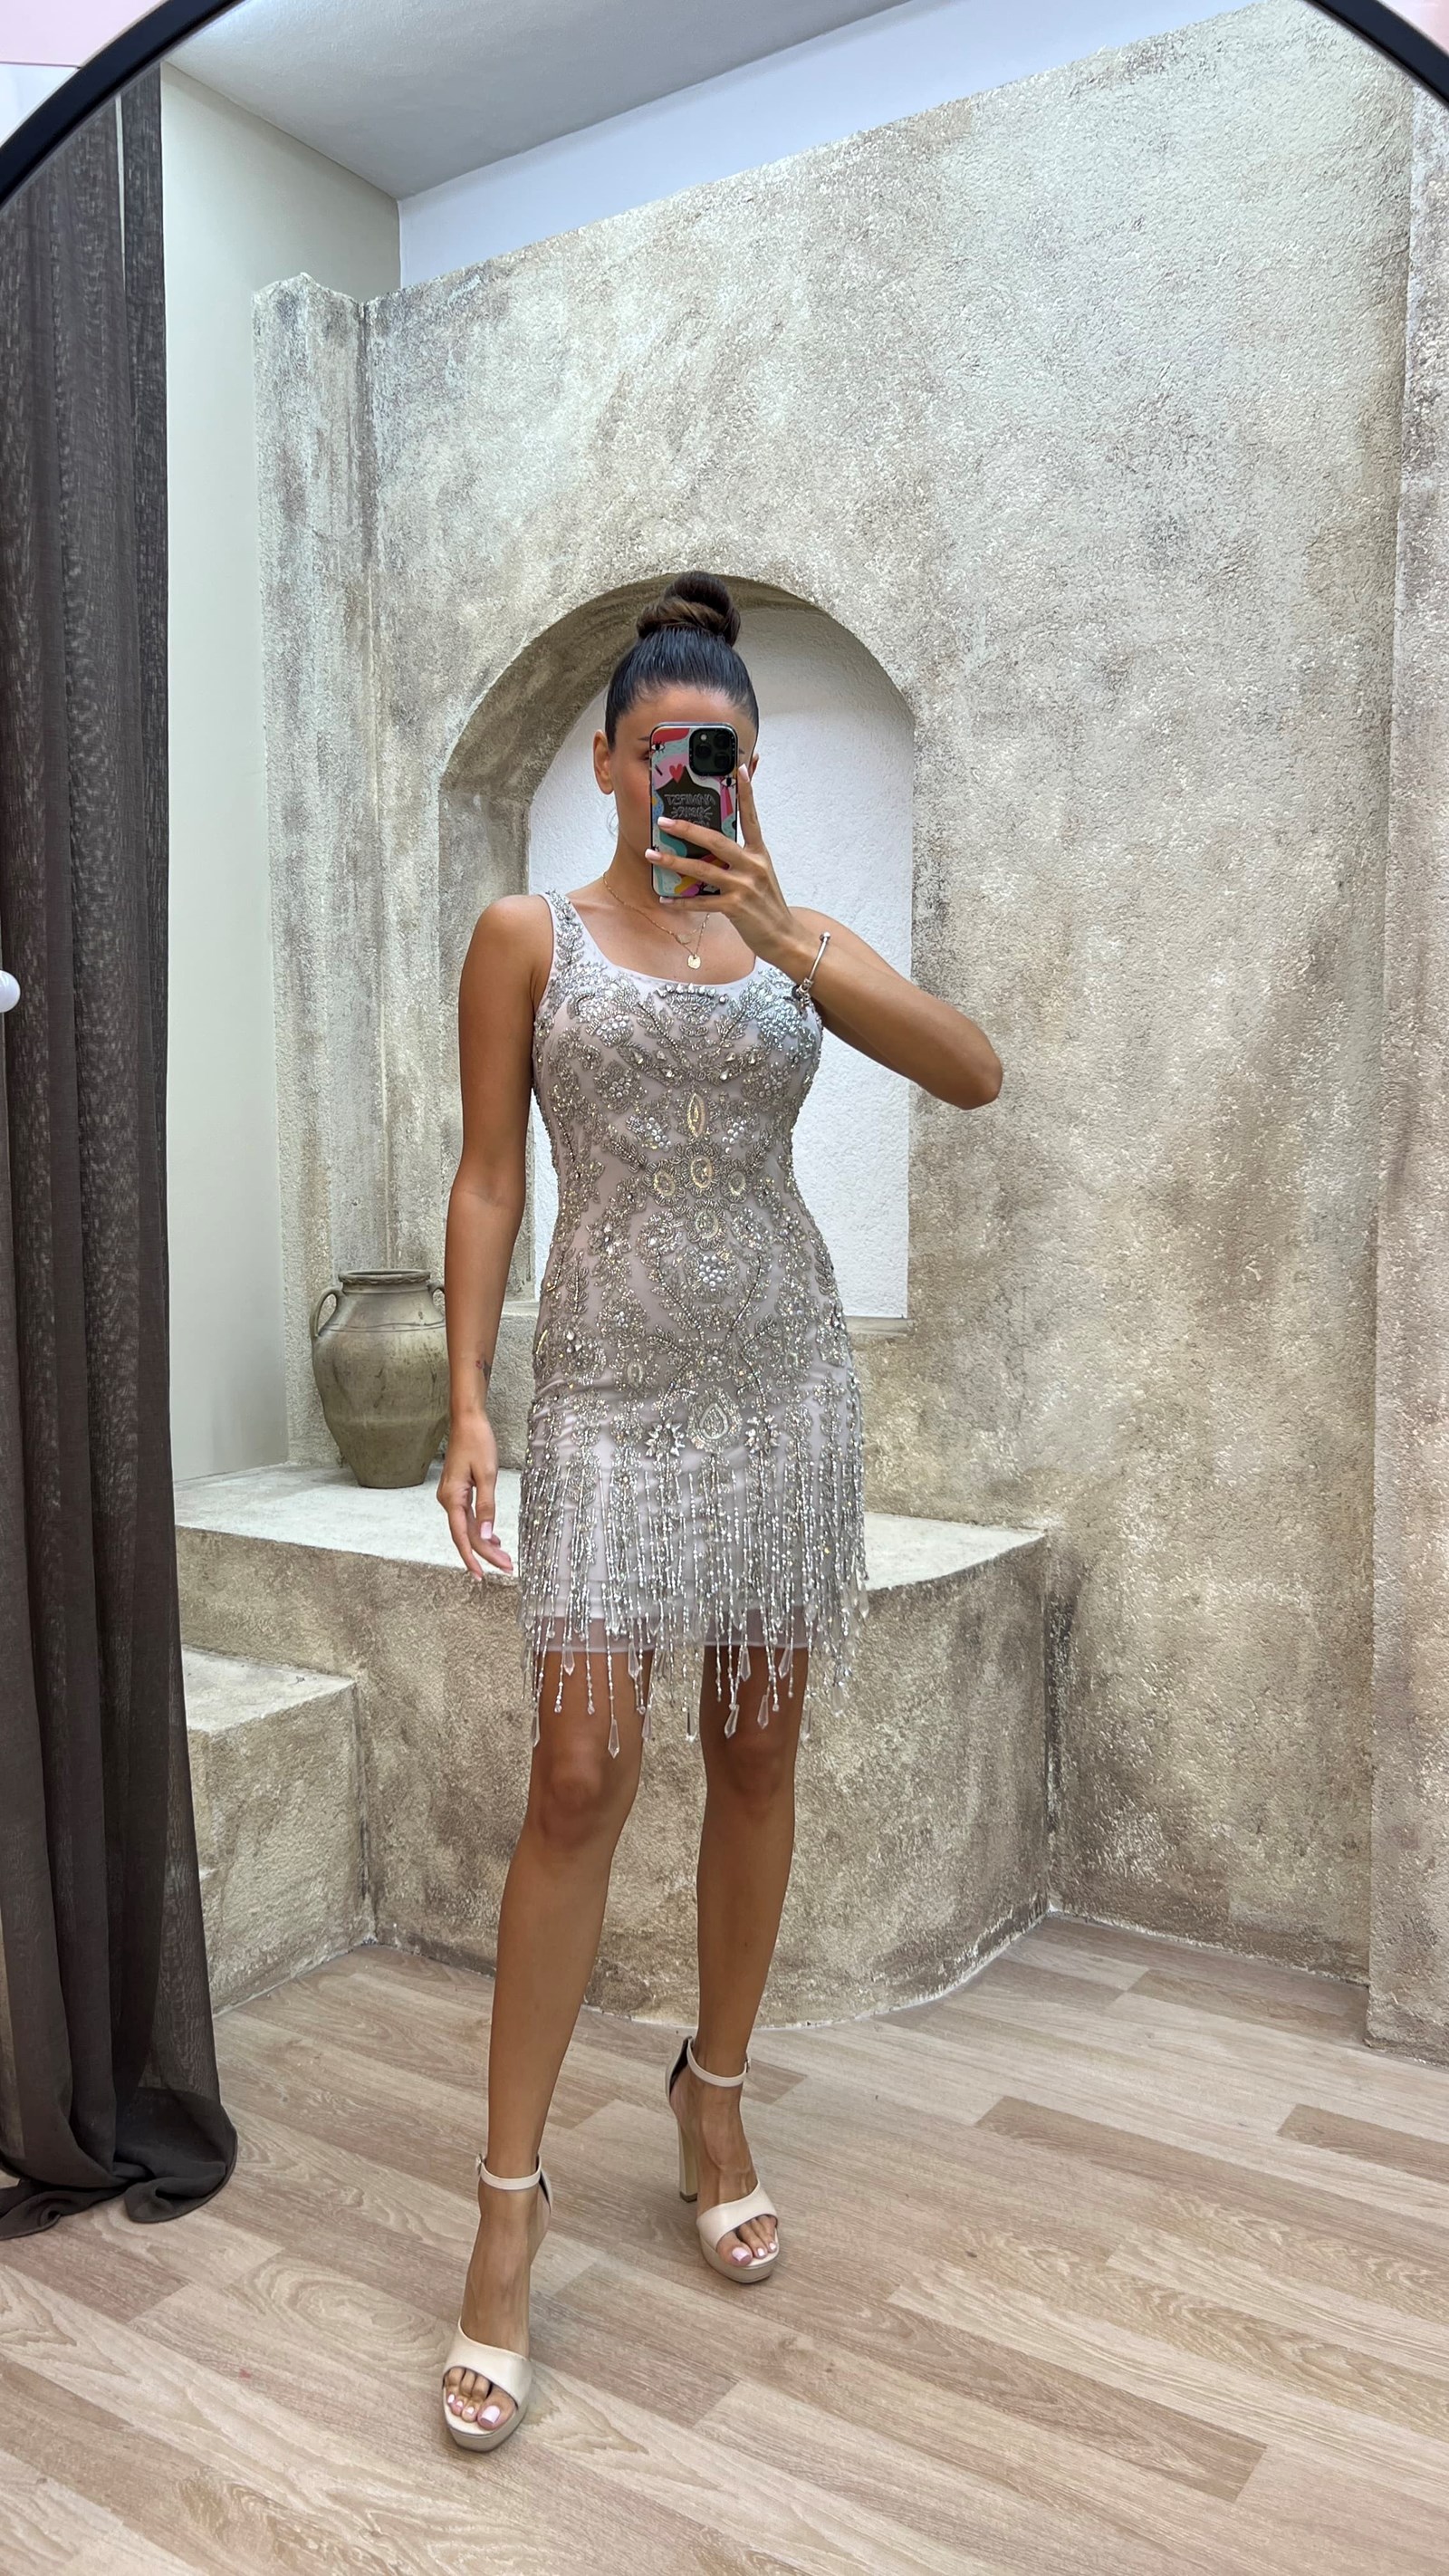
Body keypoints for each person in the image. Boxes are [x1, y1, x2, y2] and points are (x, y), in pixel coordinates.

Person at [436, 571, 1002, 2449]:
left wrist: (783, 937)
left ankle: (717, 2097)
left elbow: (971, 1072)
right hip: (605, 1397)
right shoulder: (525, 935)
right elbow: (490, 1179)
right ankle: (504, 2214)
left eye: (727, 757)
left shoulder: (792, 936)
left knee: (756, 1754)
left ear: (748, 774)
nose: (696, 776)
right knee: (576, 1777)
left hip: (779, 1390)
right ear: (609, 762)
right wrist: (466, 1403)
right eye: (669, 750)